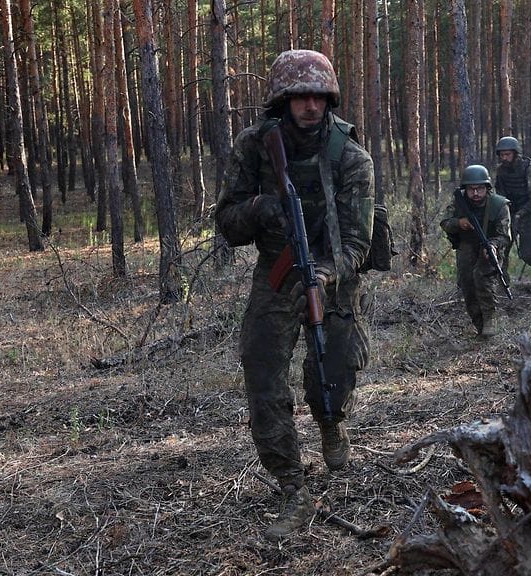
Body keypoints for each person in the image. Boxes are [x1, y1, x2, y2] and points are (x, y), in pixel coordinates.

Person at [213, 49, 374, 541]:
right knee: (263, 375)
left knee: (334, 365)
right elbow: (227, 220)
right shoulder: (255, 146)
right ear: (283, 100)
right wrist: (262, 207)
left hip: (333, 271)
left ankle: (331, 420)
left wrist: (325, 275)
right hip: (278, 271)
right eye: (299, 96)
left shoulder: (351, 156)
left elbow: (358, 243)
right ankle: (291, 487)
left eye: (318, 96)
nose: (309, 106)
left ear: (330, 99)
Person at [441, 165, 512, 338]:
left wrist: (493, 246)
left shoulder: (499, 205)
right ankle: (479, 324)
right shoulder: (458, 202)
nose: (475, 193)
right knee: (467, 284)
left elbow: (505, 236)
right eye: (471, 189)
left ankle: (490, 319)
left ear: (487, 188)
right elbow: (445, 223)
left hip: (490, 247)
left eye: (479, 188)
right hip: (466, 246)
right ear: (465, 189)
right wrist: (459, 223)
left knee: (484, 279)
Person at [493, 137, 531, 279]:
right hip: (510, 211)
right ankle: (503, 282)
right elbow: (500, 195)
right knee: (501, 248)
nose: (504, 158)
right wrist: (506, 213)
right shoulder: (501, 171)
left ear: (516, 154)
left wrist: (520, 214)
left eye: (508, 154)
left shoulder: (530, 169)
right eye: (502, 155)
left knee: (528, 255)